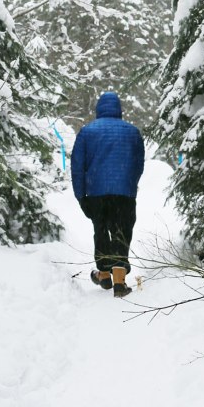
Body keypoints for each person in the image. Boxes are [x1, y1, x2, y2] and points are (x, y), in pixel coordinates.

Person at [71, 91, 145, 299]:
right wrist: (131, 184)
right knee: (121, 232)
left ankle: (104, 275)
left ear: (99, 109)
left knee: (101, 230)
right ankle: (119, 282)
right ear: (119, 109)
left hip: (96, 193)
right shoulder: (132, 132)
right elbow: (138, 163)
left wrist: (80, 195)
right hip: (124, 193)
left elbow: (78, 167)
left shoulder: (87, 132)